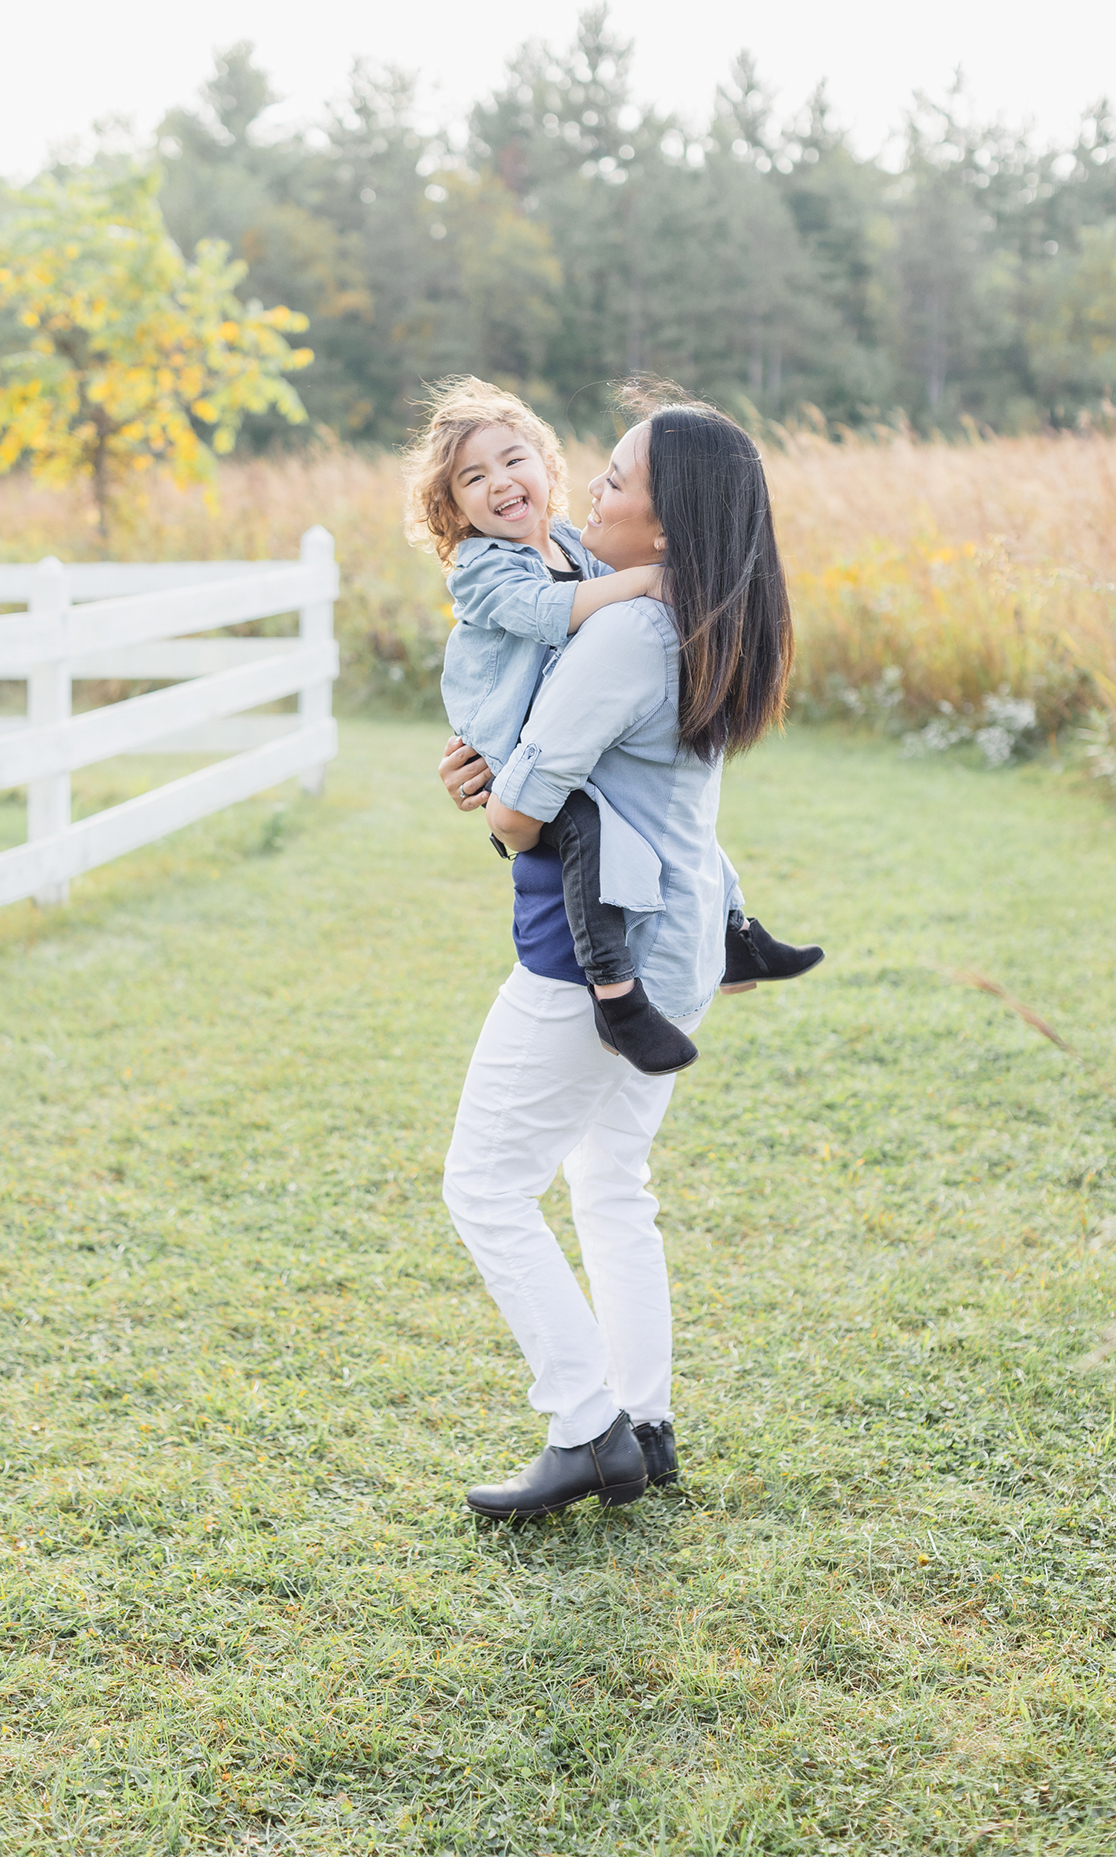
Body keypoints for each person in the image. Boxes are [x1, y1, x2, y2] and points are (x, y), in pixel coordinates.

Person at [433, 392, 791, 1520]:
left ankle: (588, 1428)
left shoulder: (629, 627)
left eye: (617, 480)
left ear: (669, 523)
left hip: (602, 942)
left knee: (484, 1188)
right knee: (607, 1180)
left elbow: (531, 797)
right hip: (680, 939)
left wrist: (492, 802)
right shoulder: (702, 612)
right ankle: (644, 1415)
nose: (591, 485)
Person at [410, 377, 822, 1076]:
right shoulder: (483, 567)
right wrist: (652, 579)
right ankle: (617, 993)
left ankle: (738, 933)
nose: (501, 483)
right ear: (453, 509)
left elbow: (595, 623)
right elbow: (547, 614)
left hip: (544, 739)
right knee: (591, 836)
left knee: (674, 833)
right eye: (472, 479)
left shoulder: (575, 549)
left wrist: (654, 579)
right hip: (505, 733)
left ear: (546, 464)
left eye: (514, 460)